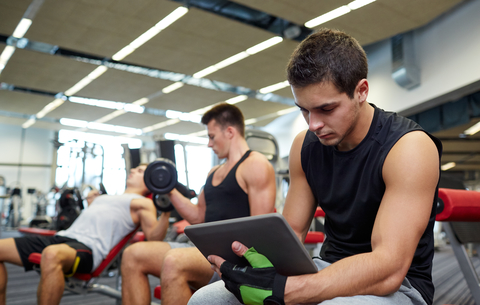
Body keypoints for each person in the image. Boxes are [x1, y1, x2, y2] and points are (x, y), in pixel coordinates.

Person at [188, 29, 442, 305]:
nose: (313, 124)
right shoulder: (305, 145)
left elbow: (388, 269)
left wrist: (288, 291)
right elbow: (291, 235)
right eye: (304, 110)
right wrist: (248, 268)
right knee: (205, 300)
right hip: (327, 267)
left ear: (361, 91)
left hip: (399, 286)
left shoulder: (408, 148)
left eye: (326, 109)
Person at [121, 103, 277, 305]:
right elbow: (197, 217)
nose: (209, 144)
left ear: (230, 132)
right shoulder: (213, 173)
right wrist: (168, 188)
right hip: (201, 251)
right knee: (133, 254)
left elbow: (260, 229)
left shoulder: (255, 164)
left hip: (231, 259)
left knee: (173, 261)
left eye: (212, 136)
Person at [0, 164, 170, 305]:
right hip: (62, 237)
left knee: (51, 254)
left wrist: (166, 211)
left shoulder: (143, 203)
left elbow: (154, 238)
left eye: (140, 171)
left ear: (151, 180)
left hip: (87, 248)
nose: (133, 170)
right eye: (135, 168)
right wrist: (92, 200)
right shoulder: (106, 197)